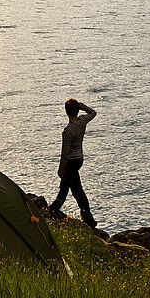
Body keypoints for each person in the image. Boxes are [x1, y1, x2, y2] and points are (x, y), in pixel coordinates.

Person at [49, 98, 97, 228]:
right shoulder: (82, 121)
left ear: (66, 112)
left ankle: (52, 211)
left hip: (70, 162)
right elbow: (93, 112)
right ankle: (88, 218)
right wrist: (82, 106)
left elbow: (65, 153)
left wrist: (60, 170)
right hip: (79, 159)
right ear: (77, 110)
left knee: (69, 189)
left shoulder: (68, 131)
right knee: (74, 189)